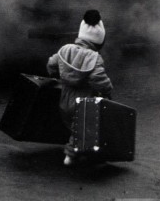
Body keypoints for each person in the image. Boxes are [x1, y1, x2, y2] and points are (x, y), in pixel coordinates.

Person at [47, 9, 113, 166]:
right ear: (99, 41)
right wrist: (108, 91)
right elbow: (99, 79)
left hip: (65, 97)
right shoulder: (94, 57)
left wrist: (55, 74)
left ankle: (80, 150)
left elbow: (51, 63)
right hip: (84, 100)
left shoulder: (65, 49)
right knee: (81, 128)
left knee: (73, 125)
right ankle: (70, 156)